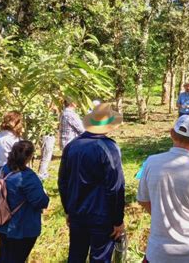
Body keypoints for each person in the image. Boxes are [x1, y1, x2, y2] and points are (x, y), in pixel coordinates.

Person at [137, 115, 189, 263]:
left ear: (171, 133)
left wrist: (160, 215)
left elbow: (143, 199)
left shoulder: (151, 162)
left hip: (159, 252)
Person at [58, 103, 125, 262]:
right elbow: (115, 187)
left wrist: (68, 209)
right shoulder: (109, 148)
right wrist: (117, 220)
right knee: (100, 257)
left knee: (76, 255)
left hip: (77, 213)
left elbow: (62, 181)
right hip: (101, 216)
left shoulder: (72, 146)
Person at [0, 140, 50, 263]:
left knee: (4, 256)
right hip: (21, 227)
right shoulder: (27, 177)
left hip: (1, 223)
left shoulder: (3, 170)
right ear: (29, 156)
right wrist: (46, 196)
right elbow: (40, 202)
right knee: (17, 258)